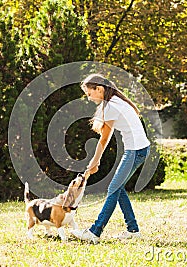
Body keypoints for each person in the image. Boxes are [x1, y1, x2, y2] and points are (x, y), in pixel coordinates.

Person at [71, 74, 151, 244]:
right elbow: (106, 136)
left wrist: (94, 161)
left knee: (113, 188)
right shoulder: (115, 101)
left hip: (135, 151)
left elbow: (104, 139)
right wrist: (96, 161)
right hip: (138, 149)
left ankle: (95, 232)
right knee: (118, 187)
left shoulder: (110, 106)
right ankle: (133, 230)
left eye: (89, 93)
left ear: (99, 89)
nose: (89, 98)